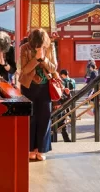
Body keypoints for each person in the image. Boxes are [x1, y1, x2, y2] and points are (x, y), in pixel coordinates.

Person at [18, 28, 58, 161]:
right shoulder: (25, 48)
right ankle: (30, 148)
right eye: (36, 45)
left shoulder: (50, 47)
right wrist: (36, 58)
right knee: (31, 118)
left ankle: (41, 149)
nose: (38, 47)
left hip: (45, 87)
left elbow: (53, 67)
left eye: (41, 45)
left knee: (45, 118)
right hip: (28, 86)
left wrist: (44, 59)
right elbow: (24, 69)